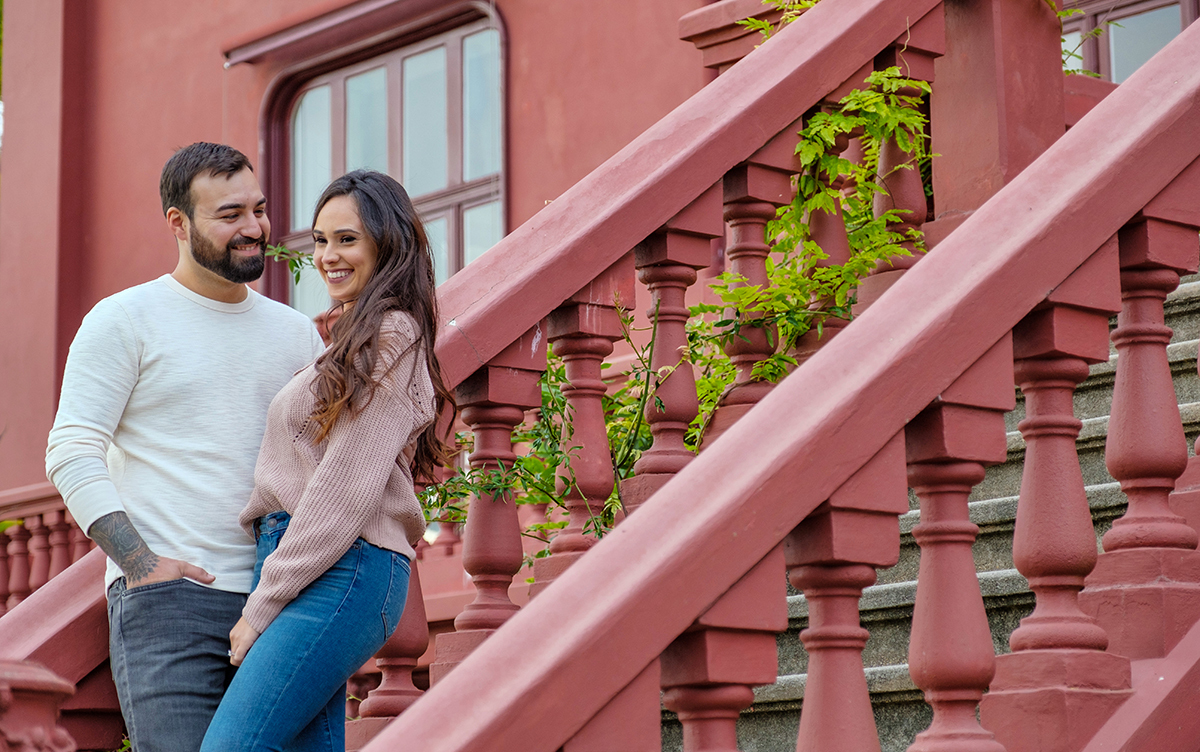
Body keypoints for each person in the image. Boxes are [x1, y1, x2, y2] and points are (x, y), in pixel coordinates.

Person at [45, 143, 325, 752]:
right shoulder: (123, 320)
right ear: (179, 223)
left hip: (283, 603)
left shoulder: (295, 333)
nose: (254, 228)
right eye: (230, 215)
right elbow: (71, 448)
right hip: (173, 608)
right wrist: (142, 565)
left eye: (259, 208)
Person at [200, 170, 453, 752]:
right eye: (319, 240)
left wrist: (262, 605)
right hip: (322, 563)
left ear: (387, 245)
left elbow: (343, 490)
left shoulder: (392, 335)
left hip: (343, 565)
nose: (328, 256)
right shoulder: (354, 340)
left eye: (347, 239)